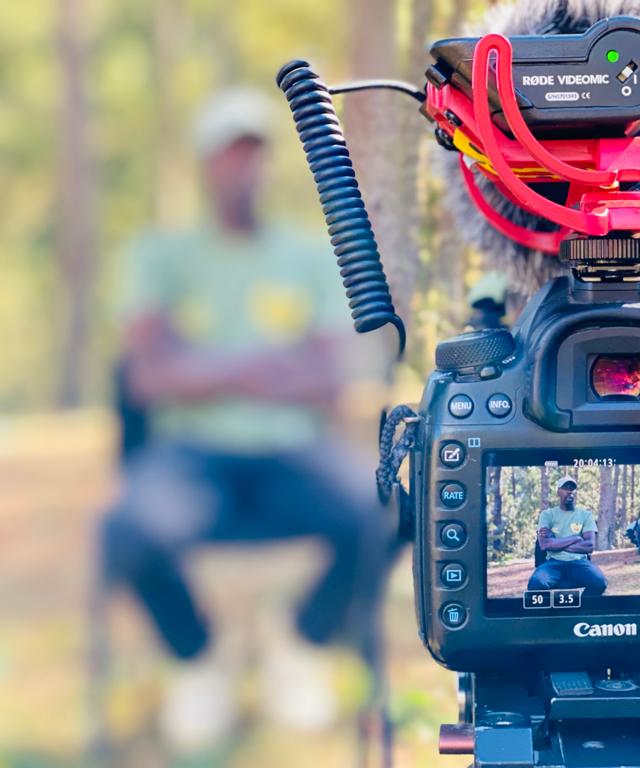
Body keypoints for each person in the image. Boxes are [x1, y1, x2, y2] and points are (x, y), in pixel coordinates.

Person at [99, 88, 390, 749]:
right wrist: (259, 367)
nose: (246, 170)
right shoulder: (160, 257)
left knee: (382, 508)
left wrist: (200, 365)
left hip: (291, 452)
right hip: (190, 453)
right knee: (128, 531)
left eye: (256, 155)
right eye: (233, 155)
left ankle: (304, 642)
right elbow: (147, 375)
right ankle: (198, 658)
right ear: (207, 166)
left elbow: (331, 375)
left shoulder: (307, 256)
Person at [527, 476, 608, 596]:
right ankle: (553, 612)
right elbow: (544, 544)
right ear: (558, 492)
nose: (569, 491)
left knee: (599, 583)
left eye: (572, 488)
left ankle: (580, 609)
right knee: (536, 584)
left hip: (579, 562)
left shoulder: (585, 515)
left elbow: (589, 546)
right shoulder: (547, 515)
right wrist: (576, 538)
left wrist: (555, 542)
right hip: (553, 563)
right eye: (565, 488)